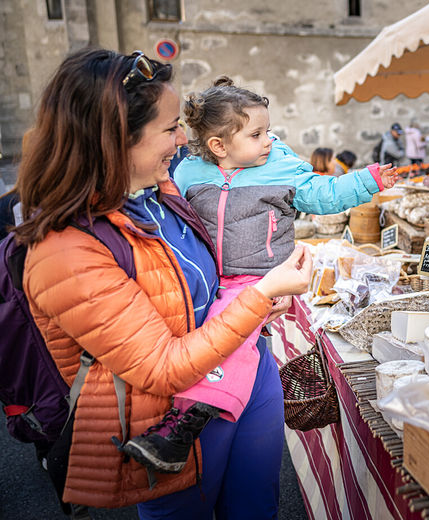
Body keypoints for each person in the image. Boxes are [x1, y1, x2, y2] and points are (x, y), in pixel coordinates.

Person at [16, 49, 313, 518]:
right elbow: (161, 368)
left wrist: (259, 293)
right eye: (170, 128)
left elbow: (214, 278)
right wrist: (262, 294)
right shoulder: (66, 251)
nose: (182, 140)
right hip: (174, 417)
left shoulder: (161, 194)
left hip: (244, 368)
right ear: (115, 139)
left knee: (257, 506)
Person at [118, 77, 396, 476]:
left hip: (260, 277)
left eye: (267, 130)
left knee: (235, 338)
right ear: (218, 145)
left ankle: (189, 417)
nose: (269, 140)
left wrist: (367, 180)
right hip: (211, 279)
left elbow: (324, 193)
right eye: (257, 134)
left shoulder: (280, 164)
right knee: (225, 339)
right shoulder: (189, 172)